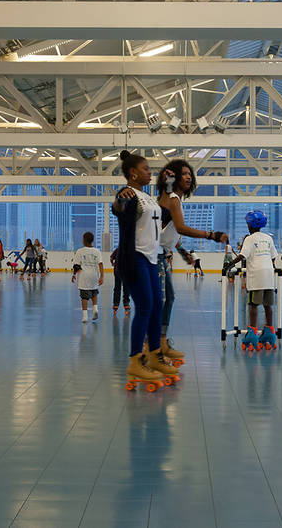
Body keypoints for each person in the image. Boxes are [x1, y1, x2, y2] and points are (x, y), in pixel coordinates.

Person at [113, 150, 179, 389]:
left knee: (157, 306)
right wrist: (120, 199)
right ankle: (134, 361)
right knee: (144, 308)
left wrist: (169, 184)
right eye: (145, 169)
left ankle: (153, 355)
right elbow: (118, 207)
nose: (150, 171)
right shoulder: (129, 194)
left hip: (152, 258)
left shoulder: (148, 197)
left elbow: (166, 209)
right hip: (135, 258)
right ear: (133, 173)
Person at [157, 159, 228, 366]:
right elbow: (180, 228)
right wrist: (211, 235)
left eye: (190, 174)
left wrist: (183, 253)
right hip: (154, 255)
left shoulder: (172, 198)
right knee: (160, 301)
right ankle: (152, 347)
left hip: (161, 254)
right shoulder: (172, 198)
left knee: (167, 298)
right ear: (175, 177)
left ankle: (160, 343)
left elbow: (169, 233)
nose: (188, 177)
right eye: (184, 173)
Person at [224, 210, 278, 351]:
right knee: (268, 305)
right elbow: (273, 257)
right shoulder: (268, 238)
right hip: (269, 275)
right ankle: (270, 332)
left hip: (257, 275)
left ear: (250, 225)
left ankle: (252, 333)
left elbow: (242, 255)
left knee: (253, 305)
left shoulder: (249, 238)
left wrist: (228, 265)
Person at [72, 232, 103, 323]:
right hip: (94, 275)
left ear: (84, 240)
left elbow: (76, 266)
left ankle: (85, 316)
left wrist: (73, 275)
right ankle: (95, 309)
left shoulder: (80, 251)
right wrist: (102, 276)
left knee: (84, 296)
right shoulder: (97, 251)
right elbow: (100, 264)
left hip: (84, 276)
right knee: (94, 292)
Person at [110, 247, 130, 316]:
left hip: (117, 271)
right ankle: (126, 303)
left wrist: (112, 263)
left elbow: (111, 258)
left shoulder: (118, 249)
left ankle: (116, 305)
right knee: (126, 288)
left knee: (117, 288)